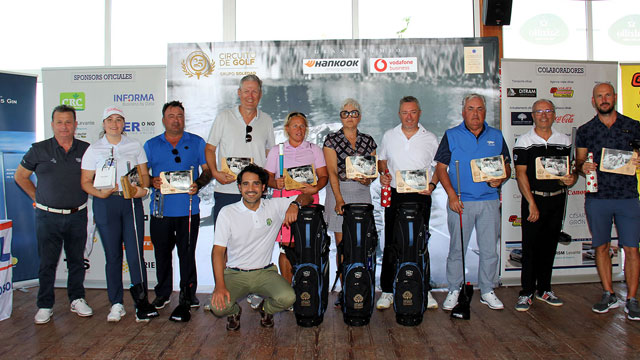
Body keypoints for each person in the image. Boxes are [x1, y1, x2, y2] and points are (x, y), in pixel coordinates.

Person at [15, 105, 93, 324]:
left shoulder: (87, 149)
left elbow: (96, 178)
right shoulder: (39, 149)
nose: (64, 126)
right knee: (47, 263)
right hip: (47, 217)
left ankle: (77, 298)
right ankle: (45, 305)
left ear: (76, 125)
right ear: (52, 124)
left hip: (77, 215)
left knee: (77, 261)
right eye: (59, 122)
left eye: (68, 122)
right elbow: (21, 177)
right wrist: (36, 198)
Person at [209, 164, 312, 330]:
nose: (251, 189)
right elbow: (218, 252)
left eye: (256, 184)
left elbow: (308, 197)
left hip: (265, 272)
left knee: (288, 298)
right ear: (239, 187)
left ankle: (265, 309)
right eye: (245, 184)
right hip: (235, 274)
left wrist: (295, 205)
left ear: (263, 188)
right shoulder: (227, 212)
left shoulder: (274, 206)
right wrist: (219, 286)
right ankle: (234, 311)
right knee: (218, 308)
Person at [79, 106, 157, 322]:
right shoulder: (93, 149)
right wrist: (99, 194)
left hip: (130, 203)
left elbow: (144, 175)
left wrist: (144, 189)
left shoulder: (134, 145)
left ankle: (142, 303)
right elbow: (85, 181)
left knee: (135, 255)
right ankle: (116, 303)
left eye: (119, 120)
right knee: (113, 255)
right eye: (110, 120)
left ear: (124, 123)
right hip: (106, 204)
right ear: (103, 124)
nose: (114, 124)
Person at [434, 93, 511, 311]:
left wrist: (501, 177)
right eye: (470, 108)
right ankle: (454, 289)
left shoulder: (496, 136)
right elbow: (441, 169)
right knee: (457, 250)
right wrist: (451, 196)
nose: (475, 113)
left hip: (488, 202)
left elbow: (507, 166)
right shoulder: (451, 135)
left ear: (484, 112)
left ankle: (487, 290)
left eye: (479, 109)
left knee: (489, 250)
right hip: (461, 203)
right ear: (463, 111)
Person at [575, 82, 640, 321]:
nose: (604, 99)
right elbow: (578, 163)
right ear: (593, 101)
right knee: (601, 247)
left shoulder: (633, 126)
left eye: (607, 95)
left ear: (614, 97)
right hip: (598, 197)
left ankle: (632, 299)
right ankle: (608, 293)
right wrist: (584, 166)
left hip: (628, 197)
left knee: (632, 248)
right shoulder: (585, 130)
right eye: (599, 96)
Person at [144, 101, 211, 312]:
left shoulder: (198, 142)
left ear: (184, 119)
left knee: (187, 253)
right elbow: (140, 175)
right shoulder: (150, 145)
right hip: (161, 211)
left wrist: (198, 184)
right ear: (164, 120)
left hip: (188, 210)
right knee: (162, 255)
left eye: (180, 116)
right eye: (171, 116)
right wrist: (150, 181)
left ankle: (189, 294)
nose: (176, 119)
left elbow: (208, 171)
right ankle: (163, 294)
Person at [512, 99, 578, 312]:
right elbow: (521, 173)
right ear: (532, 116)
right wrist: (531, 202)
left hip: (557, 199)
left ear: (554, 115)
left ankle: (545, 289)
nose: (544, 115)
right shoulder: (524, 141)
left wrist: (572, 179)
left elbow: (572, 171)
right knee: (530, 247)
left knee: (549, 246)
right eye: (539, 111)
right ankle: (526, 292)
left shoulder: (565, 141)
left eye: (548, 111)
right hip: (534, 200)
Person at [376, 96, 440, 310]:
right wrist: (383, 174)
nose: (409, 116)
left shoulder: (430, 138)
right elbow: (382, 161)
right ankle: (386, 290)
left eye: (413, 112)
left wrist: (431, 186)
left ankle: (425, 289)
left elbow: (439, 167)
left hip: (421, 195)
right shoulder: (389, 136)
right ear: (399, 114)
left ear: (419, 113)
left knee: (421, 242)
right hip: (395, 194)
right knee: (391, 243)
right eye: (405, 112)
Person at [322, 98, 377, 303]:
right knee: (343, 245)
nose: (349, 117)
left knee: (361, 244)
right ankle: (346, 289)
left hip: (362, 192)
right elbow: (332, 172)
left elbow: (372, 172)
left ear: (359, 116)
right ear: (340, 117)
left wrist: (368, 178)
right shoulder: (331, 140)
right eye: (345, 113)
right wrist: (338, 199)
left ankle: (360, 287)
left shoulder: (369, 140)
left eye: (353, 112)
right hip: (339, 193)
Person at [264, 112, 328, 283]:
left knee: (306, 247)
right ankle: (288, 291)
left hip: (308, 204)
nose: (299, 129)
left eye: (302, 126)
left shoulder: (314, 149)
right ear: (287, 129)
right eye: (295, 126)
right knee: (286, 247)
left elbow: (323, 176)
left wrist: (316, 187)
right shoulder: (277, 151)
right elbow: (266, 177)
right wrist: (274, 183)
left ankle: (306, 288)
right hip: (283, 205)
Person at [205, 74, 275, 225]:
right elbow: (210, 149)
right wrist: (215, 173)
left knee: (255, 240)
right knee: (223, 243)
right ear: (239, 93)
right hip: (227, 190)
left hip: (256, 193)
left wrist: (269, 180)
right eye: (246, 91)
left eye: (254, 91)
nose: (250, 96)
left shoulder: (267, 120)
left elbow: (270, 153)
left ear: (260, 94)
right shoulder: (223, 117)